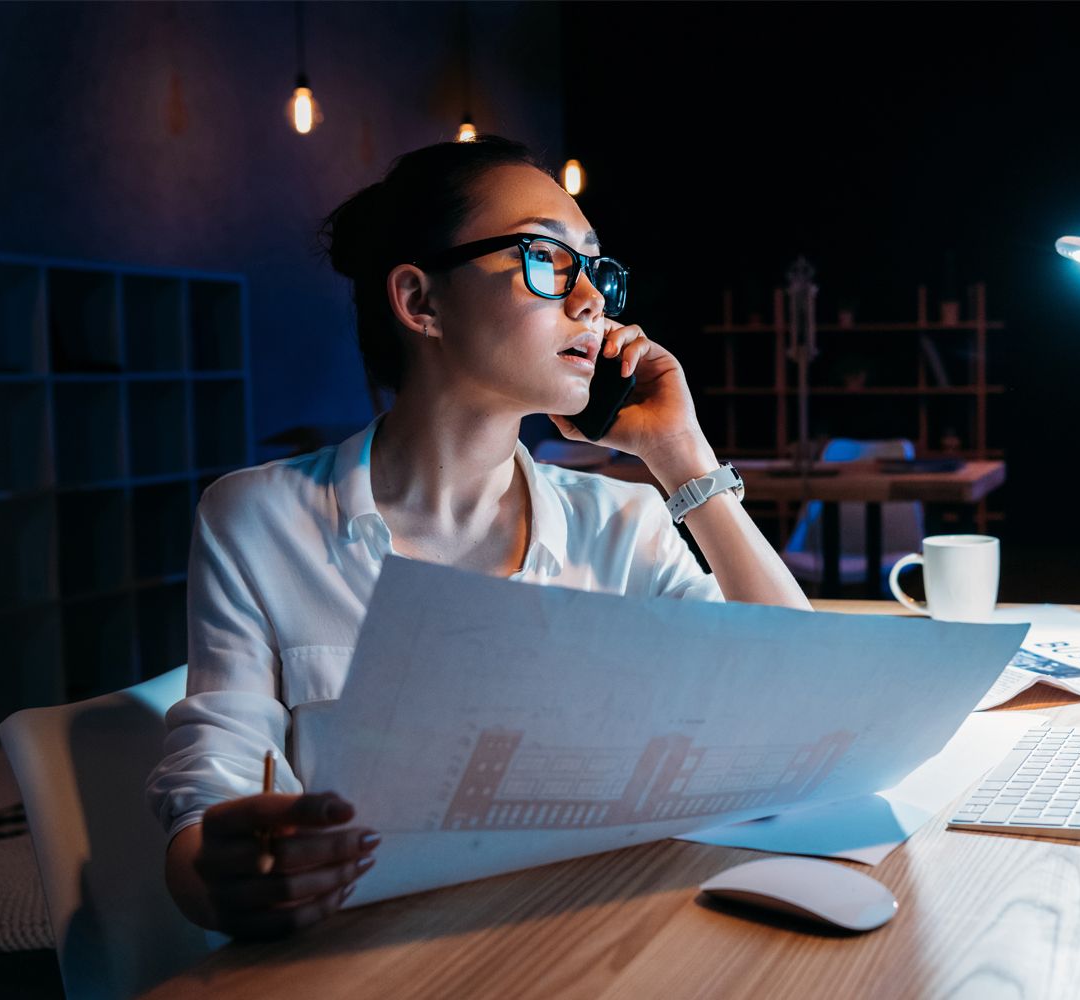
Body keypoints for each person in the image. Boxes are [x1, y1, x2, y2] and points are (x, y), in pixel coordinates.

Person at [145, 135, 811, 938]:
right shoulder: (258, 518)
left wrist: (683, 459)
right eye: (547, 258)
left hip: (597, 946)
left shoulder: (620, 525)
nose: (593, 302)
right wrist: (220, 876)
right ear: (419, 301)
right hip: (374, 959)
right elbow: (213, 790)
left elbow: (801, 703)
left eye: (596, 269)